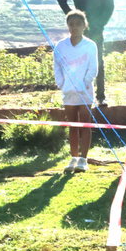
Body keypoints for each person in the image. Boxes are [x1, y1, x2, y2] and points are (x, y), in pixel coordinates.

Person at [57, 0, 114, 106]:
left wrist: (100, 23)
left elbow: (110, 6)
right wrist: (73, 19)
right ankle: (75, 92)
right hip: (80, 30)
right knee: (76, 60)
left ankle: (101, 97)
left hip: (95, 29)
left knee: (98, 61)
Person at [54, 10, 98, 173]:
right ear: (68, 26)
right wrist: (61, 84)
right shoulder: (61, 45)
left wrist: (85, 83)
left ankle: (83, 160)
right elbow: (57, 67)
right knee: (73, 125)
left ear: (84, 26)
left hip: (84, 91)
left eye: (78, 24)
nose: (75, 28)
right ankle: (73, 158)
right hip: (68, 92)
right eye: (71, 24)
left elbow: (93, 68)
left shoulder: (90, 45)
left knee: (85, 124)